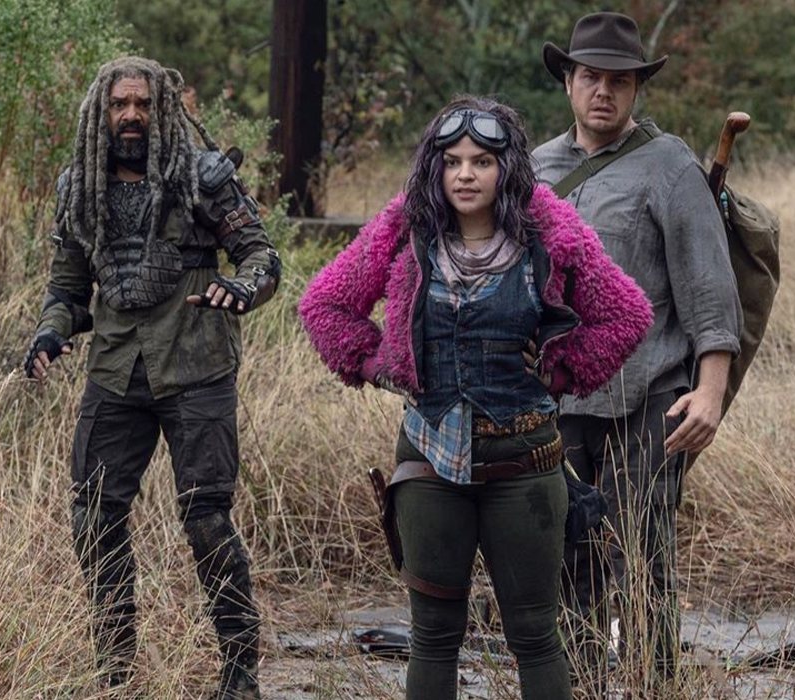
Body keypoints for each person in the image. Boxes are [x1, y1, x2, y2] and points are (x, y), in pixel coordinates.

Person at [298, 96, 652, 700]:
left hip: (526, 463)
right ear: (433, 168)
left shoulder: (550, 231)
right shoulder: (406, 227)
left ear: (505, 168)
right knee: (434, 635)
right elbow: (324, 304)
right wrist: (379, 365)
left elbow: (627, 314)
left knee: (535, 633)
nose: (465, 175)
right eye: (452, 161)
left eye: (482, 161)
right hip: (429, 460)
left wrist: (563, 368)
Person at [23, 56, 280, 698]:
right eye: (120, 105)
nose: (131, 115)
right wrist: (51, 331)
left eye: (141, 103)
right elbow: (67, 289)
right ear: (102, 113)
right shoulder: (80, 189)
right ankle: (116, 673)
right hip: (115, 370)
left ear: (162, 108)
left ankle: (240, 673)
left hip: (197, 365)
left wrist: (239, 288)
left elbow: (261, 255)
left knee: (207, 517)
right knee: (94, 514)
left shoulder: (202, 178)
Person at [532, 12, 743, 693]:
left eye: (619, 81)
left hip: (651, 392)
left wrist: (710, 391)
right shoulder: (531, 170)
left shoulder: (671, 166)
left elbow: (709, 286)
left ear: (636, 89)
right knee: (569, 554)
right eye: (591, 77)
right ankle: (581, 686)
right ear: (568, 82)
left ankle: (655, 684)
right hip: (559, 397)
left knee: (642, 555)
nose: (604, 92)